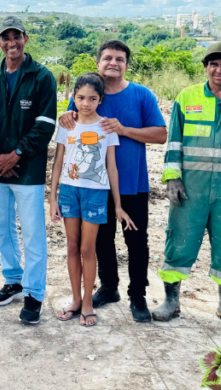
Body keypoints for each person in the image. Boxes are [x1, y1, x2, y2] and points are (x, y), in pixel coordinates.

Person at [152, 42, 221, 331]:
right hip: (190, 190)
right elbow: (174, 142)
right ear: (205, 67)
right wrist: (172, 179)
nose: (219, 69)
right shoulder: (187, 97)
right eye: (214, 63)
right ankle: (171, 301)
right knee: (179, 242)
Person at [58, 40, 167, 321]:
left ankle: (138, 296)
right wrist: (64, 115)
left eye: (119, 59)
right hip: (91, 185)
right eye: (107, 58)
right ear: (98, 63)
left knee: (136, 241)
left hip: (132, 183)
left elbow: (160, 134)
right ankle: (108, 288)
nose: (113, 63)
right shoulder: (88, 93)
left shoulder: (141, 95)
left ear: (126, 65)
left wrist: (124, 129)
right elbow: (69, 123)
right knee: (100, 242)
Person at [0, 16, 57, 325]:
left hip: (28, 168)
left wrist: (17, 155)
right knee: (2, 228)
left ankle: (34, 293)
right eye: (5, 37)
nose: (11, 42)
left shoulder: (41, 77)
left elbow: (45, 125)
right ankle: (12, 279)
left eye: (16, 36)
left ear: (25, 39)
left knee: (33, 232)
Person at [50, 73, 135, 327]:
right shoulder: (66, 125)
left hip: (96, 194)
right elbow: (57, 163)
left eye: (92, 98)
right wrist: (52, 198)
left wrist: (118, 205)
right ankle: (75, 299)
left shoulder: (106, 127)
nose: (86, 103)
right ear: (73, 97)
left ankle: (88, 301)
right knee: (72, 247)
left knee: (88, 249)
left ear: (100, 99)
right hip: (68, 191)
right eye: (80, 98)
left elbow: (112, 168)